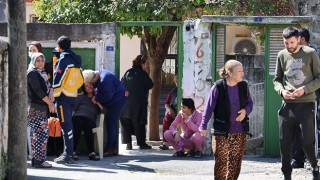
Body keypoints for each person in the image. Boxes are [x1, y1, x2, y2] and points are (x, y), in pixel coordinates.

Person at [273, 26, 320, 180]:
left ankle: (314, 166)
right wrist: (281, 91)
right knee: (284, 143)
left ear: (299, 39)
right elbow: (277, 80)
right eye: (286, 43)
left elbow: (319, 78)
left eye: (291, 42)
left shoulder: (310, 53)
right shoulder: (281, 55)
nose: (289, 46)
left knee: (307, 143)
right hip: (287, 105)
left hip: (307, 104)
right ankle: (286, 175)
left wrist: (304, 89)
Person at [199, 59, 253, 179]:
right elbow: (209, 108)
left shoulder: (244, 86)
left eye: (242, 70)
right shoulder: (218, 87)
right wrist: (203, 125)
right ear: (229, 72)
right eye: (239, 71)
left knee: (235, 162)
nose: (242, 73)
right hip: (221, 131)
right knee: (221, 161)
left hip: (239, 131)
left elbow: (250, 103)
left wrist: (245, 111)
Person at [291, 27, 320, 169]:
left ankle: (311, 159)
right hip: (296, 99)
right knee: (297, 127)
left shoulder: (315, 54)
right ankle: (298, 159)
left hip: (312, 97)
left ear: (302, 39)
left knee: (311, 127)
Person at [82, 69, 127, 156]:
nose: (92, 85)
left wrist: (97, 99)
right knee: (111, 122)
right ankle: (112, 148)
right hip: (114, 99)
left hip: (118, 100)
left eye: (92, 82)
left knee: (111, 122)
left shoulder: (106, 78)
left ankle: (110, 148)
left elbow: (108, 96)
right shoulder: (98, 76)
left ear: (94, 78)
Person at [53, 36, 83, 164]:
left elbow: (57, 80)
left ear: (59, 46)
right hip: (72, 96)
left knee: (66, 126)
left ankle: (68, 154)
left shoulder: (63, 60)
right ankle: (68, 153)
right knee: (68, 125)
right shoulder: (76, 60)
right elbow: (80, 80)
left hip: (63, 97)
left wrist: (54, 96)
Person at [27, 52, 55, 168]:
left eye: (42, 60)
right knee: (40, 135)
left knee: (40, 134)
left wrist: (51, 94)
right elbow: (38, 91)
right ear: (33, 61)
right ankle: (39, 161)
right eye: (37, 60)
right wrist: (50, 104)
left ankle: (38, 160)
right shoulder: (32, 73)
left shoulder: (42, 73)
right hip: (36, 108)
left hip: (40, 108)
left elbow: (47, 87)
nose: (40, 63)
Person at [120, 55, 154, 150]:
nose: (147, 66)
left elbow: (122, 83)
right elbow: (150, 85)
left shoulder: (128, 72)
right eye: (146, 64)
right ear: (141, 64)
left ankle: (128, 144)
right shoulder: (142, 74)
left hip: (125, 103)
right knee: (139, 123)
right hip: (139, 103)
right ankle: (141, 143)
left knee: (126, 123)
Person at [72, 82, 103, 161]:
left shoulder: (99, 98)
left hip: (90, 118)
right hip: (78, 116)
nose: (89, 86)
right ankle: (73, 151)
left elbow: (104, 111)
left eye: (91, 84)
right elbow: (73, 109)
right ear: (84, 88)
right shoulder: (81, 97)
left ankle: (91, 152)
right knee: (77, 123)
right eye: (86, 85)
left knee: (88, 125)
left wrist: (97, 102)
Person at [159, 75, 178, 150]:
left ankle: (182, 144)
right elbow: (166, 104)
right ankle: (165, 143)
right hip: (173, 111)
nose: (177, 83)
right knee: (167, 118)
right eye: (176, 81)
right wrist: (170, 110)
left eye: (179, 81)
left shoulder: (186, 90)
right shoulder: (173, 91)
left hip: (183, 112)